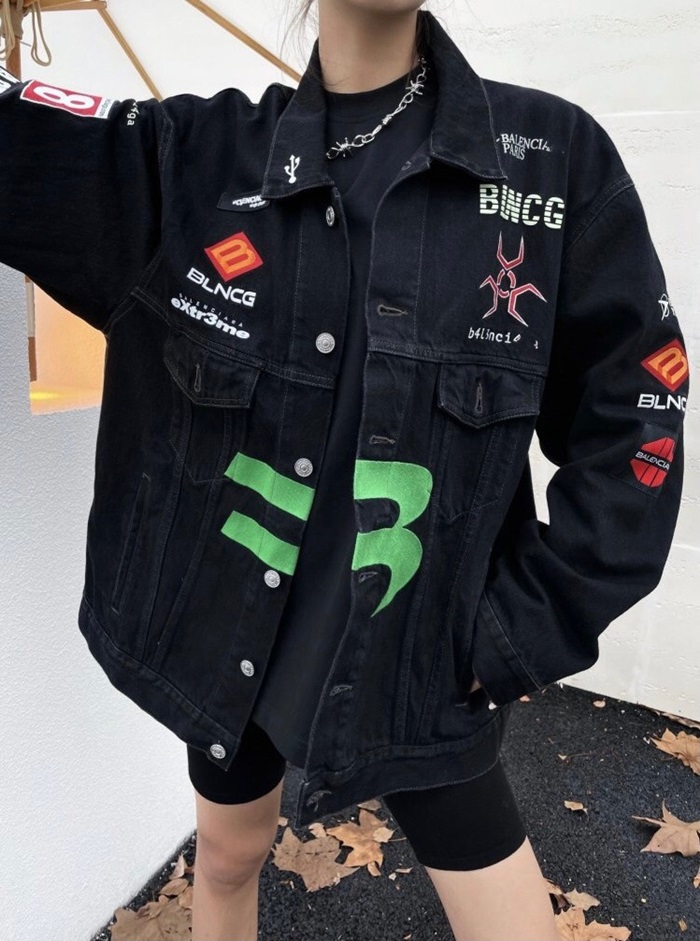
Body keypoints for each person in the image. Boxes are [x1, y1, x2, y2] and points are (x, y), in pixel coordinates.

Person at [0, 2, 688, 940]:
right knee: (228, 857)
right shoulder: (193, 162)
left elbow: (638, 409)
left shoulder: (550, 163)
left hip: (424, 657)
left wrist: (520, 631)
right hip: (233, 642)